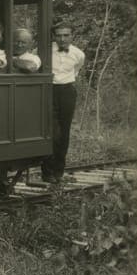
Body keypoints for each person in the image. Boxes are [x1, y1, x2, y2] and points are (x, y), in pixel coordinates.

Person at [41, 23, 86, 184]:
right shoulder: (43, 50)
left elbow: (76, 71)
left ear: (72, 36)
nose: (62, 38)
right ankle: (47, 172)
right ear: (54, 36)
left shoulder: (78, 54)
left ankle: (58, 172)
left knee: (64, 132)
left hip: (67, 92)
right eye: (59, 35)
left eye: (66, 35)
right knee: (53, 133)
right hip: (48, 91)